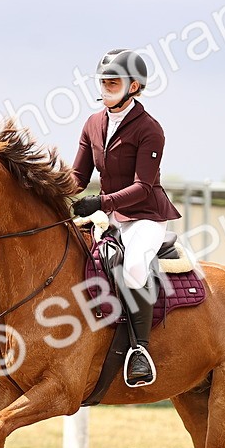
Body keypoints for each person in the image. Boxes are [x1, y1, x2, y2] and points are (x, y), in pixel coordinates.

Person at [70, 48, 181, 388]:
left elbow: (143, 187)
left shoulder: (150, 129)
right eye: (102, 81)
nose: (105, 88)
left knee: (133, 269)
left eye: (113, 82)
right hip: (109, 216)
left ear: (134, 87)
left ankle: (139, 352)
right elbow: (76, 177)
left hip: (145, 217)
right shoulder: (93, 123)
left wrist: (100, 202)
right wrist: (43, 185)